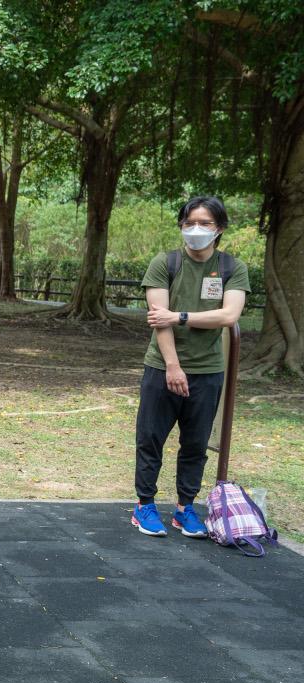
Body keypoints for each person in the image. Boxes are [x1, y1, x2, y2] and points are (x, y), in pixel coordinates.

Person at [132, 196, 250, 537]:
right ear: (182, 227)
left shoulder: (232, 268)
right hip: (162, 366)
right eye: (189, 223)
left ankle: (185, 509)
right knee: (151, 437)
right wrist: (173, 366)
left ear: (219, 229)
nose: (196, 230)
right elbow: (159, 320)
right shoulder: (164, 263)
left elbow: (228, 315)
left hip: (209, 371)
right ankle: (145, 506)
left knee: (196, 443)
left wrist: (180, 315)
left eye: (205, 224)